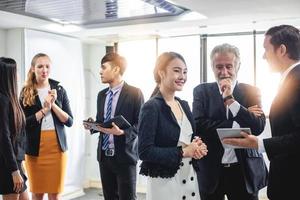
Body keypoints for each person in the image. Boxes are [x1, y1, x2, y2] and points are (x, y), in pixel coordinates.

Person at [223, 25, 300, 200]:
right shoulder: (290, 79)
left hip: (293, 183)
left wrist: (259, 144)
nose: (264, 56)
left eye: (266, 49)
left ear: (282, 50)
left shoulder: (297, 80)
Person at [193, 43, 268, 200]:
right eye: (218, 67)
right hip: (212, 170)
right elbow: (198, 125)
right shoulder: (202, 91)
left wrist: (232, 102)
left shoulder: (251, 91)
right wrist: (239, 121)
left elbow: (258, 127)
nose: (224, 72)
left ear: (238, 66)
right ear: (212, 67)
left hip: (244, 170)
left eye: (229, 66)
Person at [138, 52, 208, 200]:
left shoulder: (183, 104)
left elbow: (188, 137)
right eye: (176, 71)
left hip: (190, 179)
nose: (182, 76)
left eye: (185, 72)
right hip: (165, 184)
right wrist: (184, 152)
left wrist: (198, 146)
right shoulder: (151, 107)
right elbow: (144, 151)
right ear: (161, 73)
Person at [83, 52, 144, 200]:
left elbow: (141, 125)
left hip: (125, 156)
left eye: (104, 67)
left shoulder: (135, 93)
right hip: (104, 157)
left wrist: (122, 132)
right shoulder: (101, 95)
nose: (100, 71)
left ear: (116, 69)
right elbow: (102, 121)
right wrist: (93, 125)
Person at [20, 53, 73, 200]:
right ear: (32, 69)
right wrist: (44, 111)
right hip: (35, 149)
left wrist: (53, 105)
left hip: (57, 149)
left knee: (55, 194)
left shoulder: (60, 90)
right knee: (37, 193)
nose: (44, 70)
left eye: (47, 66)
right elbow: (22, 123)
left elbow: (69, 121)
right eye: (40, 66)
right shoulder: (26, 92)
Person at [0, 57, 29, 200]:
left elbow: (17, 136)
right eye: (16, 71)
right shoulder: (2, 100)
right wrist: (14, 170)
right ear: (8, 75)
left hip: (15, 162)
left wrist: (20, 164)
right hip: (8, 165)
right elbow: (4, 138)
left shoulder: (11, 98)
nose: (18, 74)